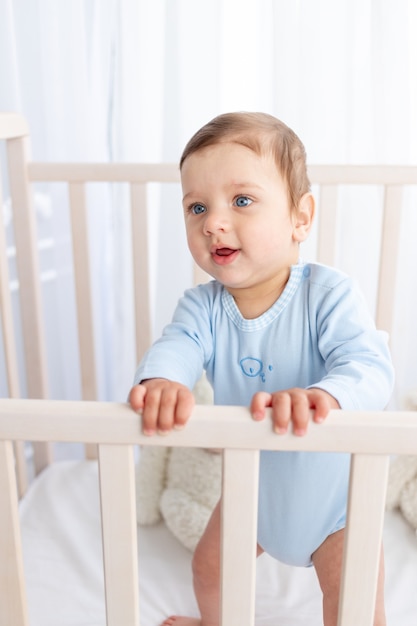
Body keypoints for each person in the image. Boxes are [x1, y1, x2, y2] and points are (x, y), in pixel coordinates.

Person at [129, 112, 394, 626]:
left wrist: (327, 395)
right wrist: (161, 381)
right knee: (209, 571)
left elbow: (368, 365)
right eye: (197, 207)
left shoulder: (327, 293)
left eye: (242, 201)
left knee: (354, 607)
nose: (213, 222)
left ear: (301, 217)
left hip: (338, 510)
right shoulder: (202, 307)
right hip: (251, 496)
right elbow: (177, 346)